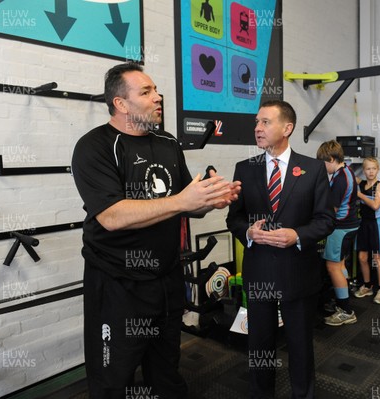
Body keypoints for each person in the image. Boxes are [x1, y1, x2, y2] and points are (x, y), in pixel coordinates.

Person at [71, 62, 240, 399]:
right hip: (118, 283)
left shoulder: (166, 142)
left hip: (166, 277)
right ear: (121, 104)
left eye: (156, 90)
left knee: (165, 365)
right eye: (146, 92)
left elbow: (184, 204)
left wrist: (209, 200)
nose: (158, 97)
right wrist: (183, 200)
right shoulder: (95, 147)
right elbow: (112, 216)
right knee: (112, 374)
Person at [226, 100, 334, 398]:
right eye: (257, 123)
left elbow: (326, 220)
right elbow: (233, 218)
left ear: (287, 128)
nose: (257, 128)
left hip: (298, 274)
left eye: (265, 122)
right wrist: (247, 232)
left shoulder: (312, 170)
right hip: (258, 272)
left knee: (300, 347)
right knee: (259, 347)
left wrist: (296, 235)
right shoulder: (244, 169)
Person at [316, 140, 360, 326]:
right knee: (340, 264)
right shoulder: (345, 172)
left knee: (332, 267)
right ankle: (342, 299)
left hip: (341, 228)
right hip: (348, 226)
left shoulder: (341, 178)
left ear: (332, 159)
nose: (322, 167)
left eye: (323, 162)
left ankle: (346, 310)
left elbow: (331, 210)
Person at [353, 157, 380, 304]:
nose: (371, 171)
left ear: (377, 169)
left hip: (376, 224)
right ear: (364, 170)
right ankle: (367, 286)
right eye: (368, 169)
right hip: (364, 224)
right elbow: (346, 174)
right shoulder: (360, 183)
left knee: (377, 258)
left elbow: (375, 205)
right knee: (362, 257)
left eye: (373, 168)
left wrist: (359, 195)